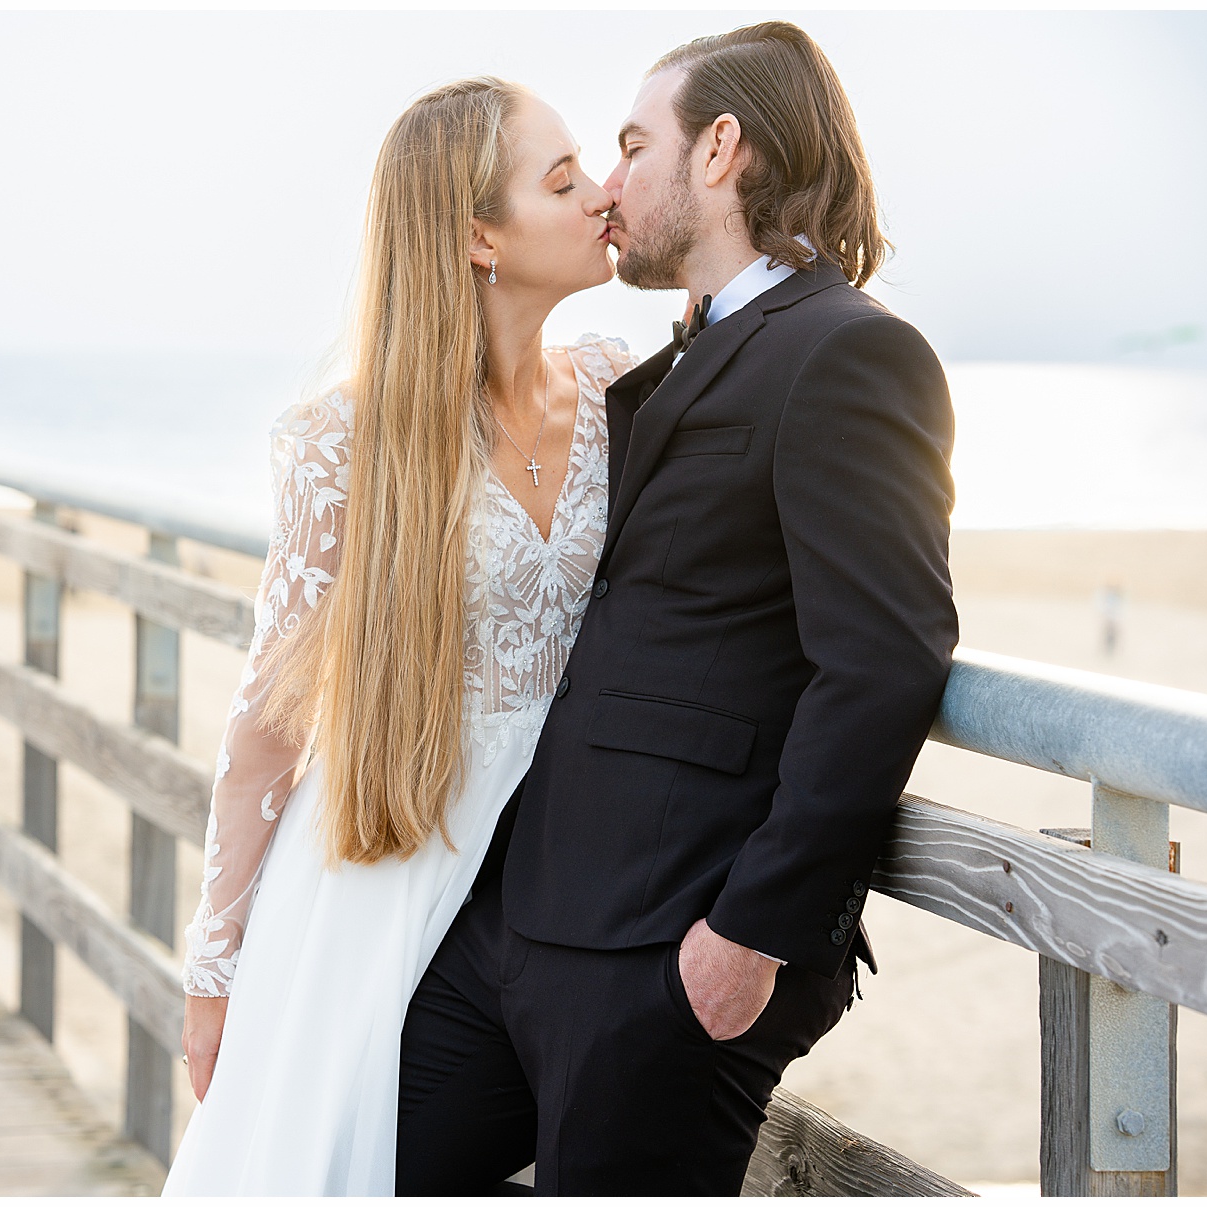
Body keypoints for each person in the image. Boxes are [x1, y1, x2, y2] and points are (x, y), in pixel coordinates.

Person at [395, 22, 959, 1195]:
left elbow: (887, 660)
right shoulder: (667, 364)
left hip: (668, 947)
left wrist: (751, 932)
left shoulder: (849, 354)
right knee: (352, 1163)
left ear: (720, 152)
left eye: (632, 146)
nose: (610, 185)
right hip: (520, 923)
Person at [161, 77, 630, 1195]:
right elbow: (269, 724)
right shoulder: (348, 438)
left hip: (568, 851)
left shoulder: (622, 390)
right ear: (481, 236)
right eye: (563, 180)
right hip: (400, 845)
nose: (603, 195)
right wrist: (214, 971)